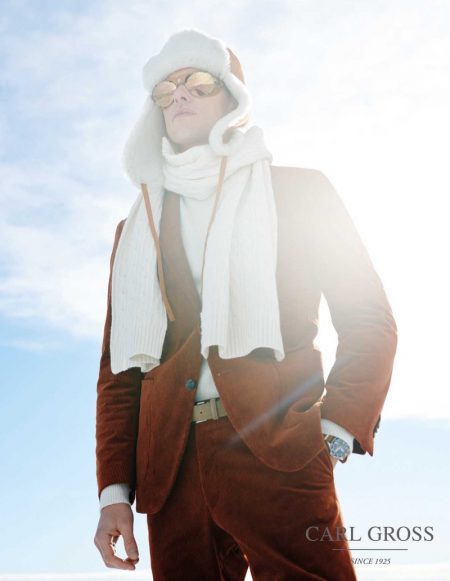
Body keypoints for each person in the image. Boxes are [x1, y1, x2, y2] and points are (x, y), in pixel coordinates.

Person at [93, 28, 398, 580]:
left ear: (233, 96)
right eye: (165, 89)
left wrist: (335, 432)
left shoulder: (301, 193)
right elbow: (118, 373)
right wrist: (113, 492)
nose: (179, 95)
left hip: (281, 450)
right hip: (172, 471)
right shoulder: (135, 230)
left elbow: (368, 320)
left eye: (198, 81)